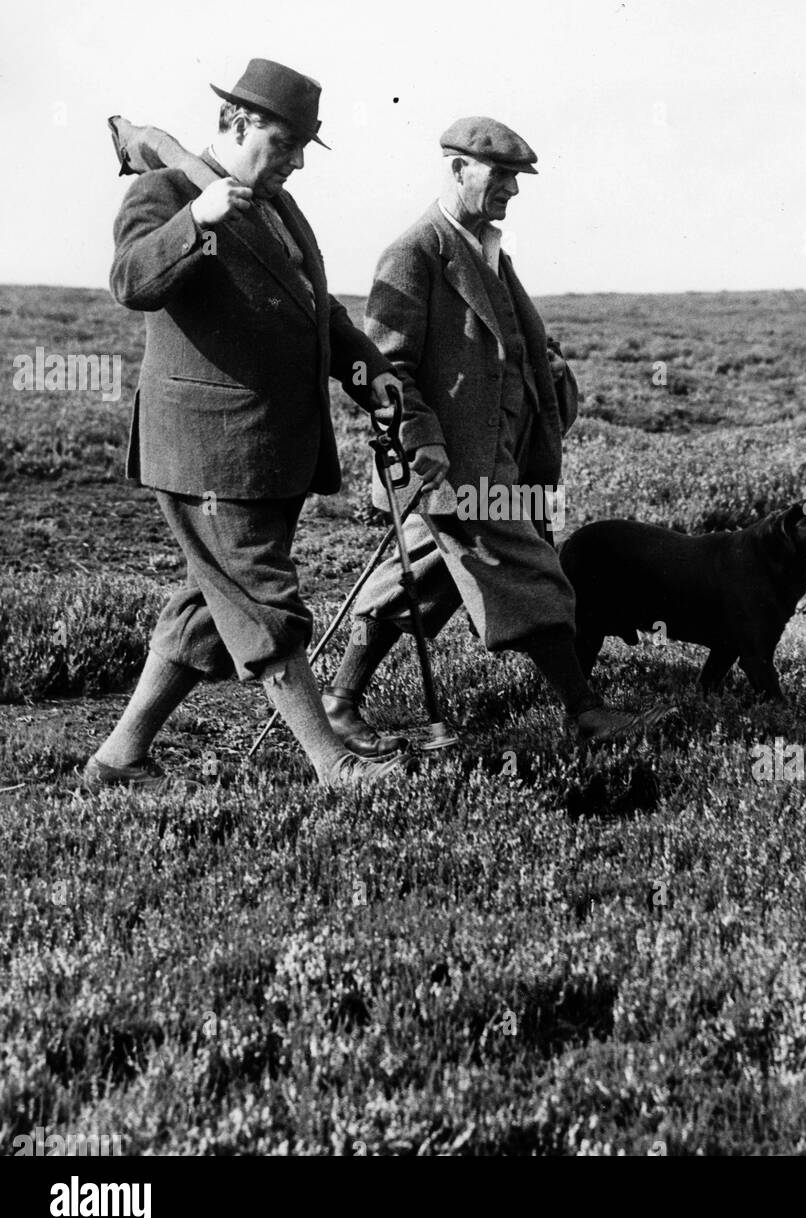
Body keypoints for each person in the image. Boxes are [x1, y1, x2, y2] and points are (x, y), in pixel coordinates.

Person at [81, 58, 407, 792]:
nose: (294, 162)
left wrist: (368, 375)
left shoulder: (279, 209)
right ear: (235, 124)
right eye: (285, 144)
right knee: (263, 597)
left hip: (270, 450)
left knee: (209, 603)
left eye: (301, 149)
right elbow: (130, 280)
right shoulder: (166, 191)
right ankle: (334, 763)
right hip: (210, 449)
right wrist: (195, 221)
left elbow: (315, 314)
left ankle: (119, 756)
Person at [322, 116, 664, 745]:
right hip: (448, 465)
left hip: (495, 458)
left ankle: (339, 701)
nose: (512, 187)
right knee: (532, 570)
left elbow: (510, 346)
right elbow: (385, 367)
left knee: (420, 577)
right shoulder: (414, 252)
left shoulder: (487, 251)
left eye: (516, 175)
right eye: (501, 173)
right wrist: (420, 435)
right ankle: (585, 712)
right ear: (459, 169)